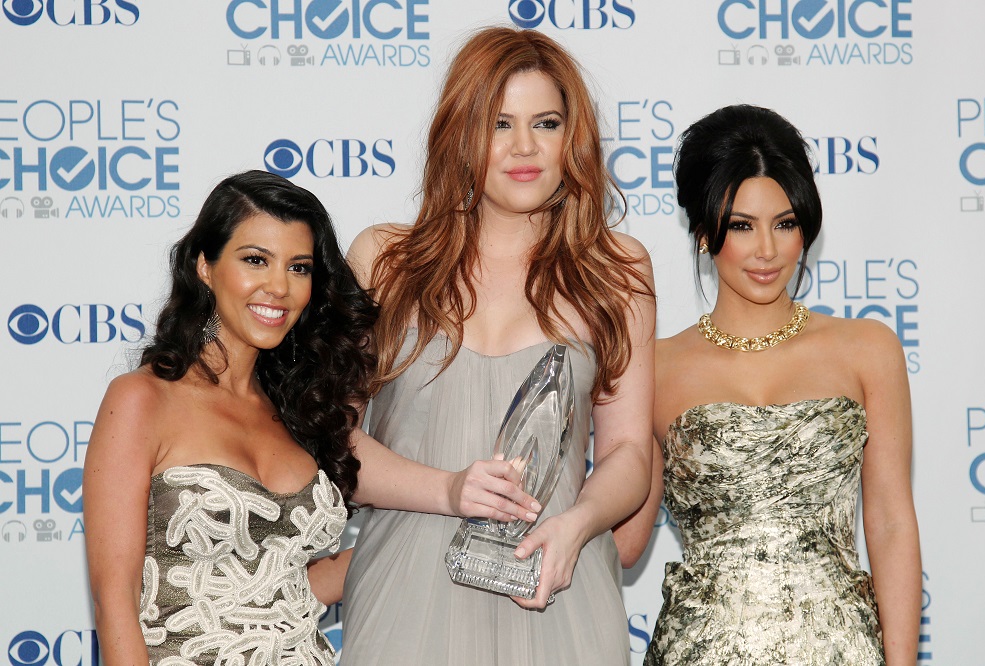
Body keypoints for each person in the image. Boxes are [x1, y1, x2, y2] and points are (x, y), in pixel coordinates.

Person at [338, 27, 656, 665]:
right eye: (499, 123)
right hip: (405, 593)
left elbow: (628, 453)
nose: (524, 147)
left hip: (557, 588)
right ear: (462, 134)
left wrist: (579, 523)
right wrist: (448, 491)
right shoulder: (385, 261)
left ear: (574, 137)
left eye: (545, 122)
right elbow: (337, 444)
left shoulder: (616, 270)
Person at [643, 105, 921, 665]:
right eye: (742, 226)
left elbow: (890, 521)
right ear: (703, 231)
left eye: (785, 223)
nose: (767, 250)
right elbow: (625, 544)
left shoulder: (868, 349)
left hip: (842, 652)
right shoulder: (654, 367)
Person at [83, 170, 379, 665]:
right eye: (256, 260)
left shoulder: (301, 409)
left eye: (299, 267)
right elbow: (115, 605)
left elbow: (288, 585)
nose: (279, 287)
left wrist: (418, 543)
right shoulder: (142, 399)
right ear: (205, 266)